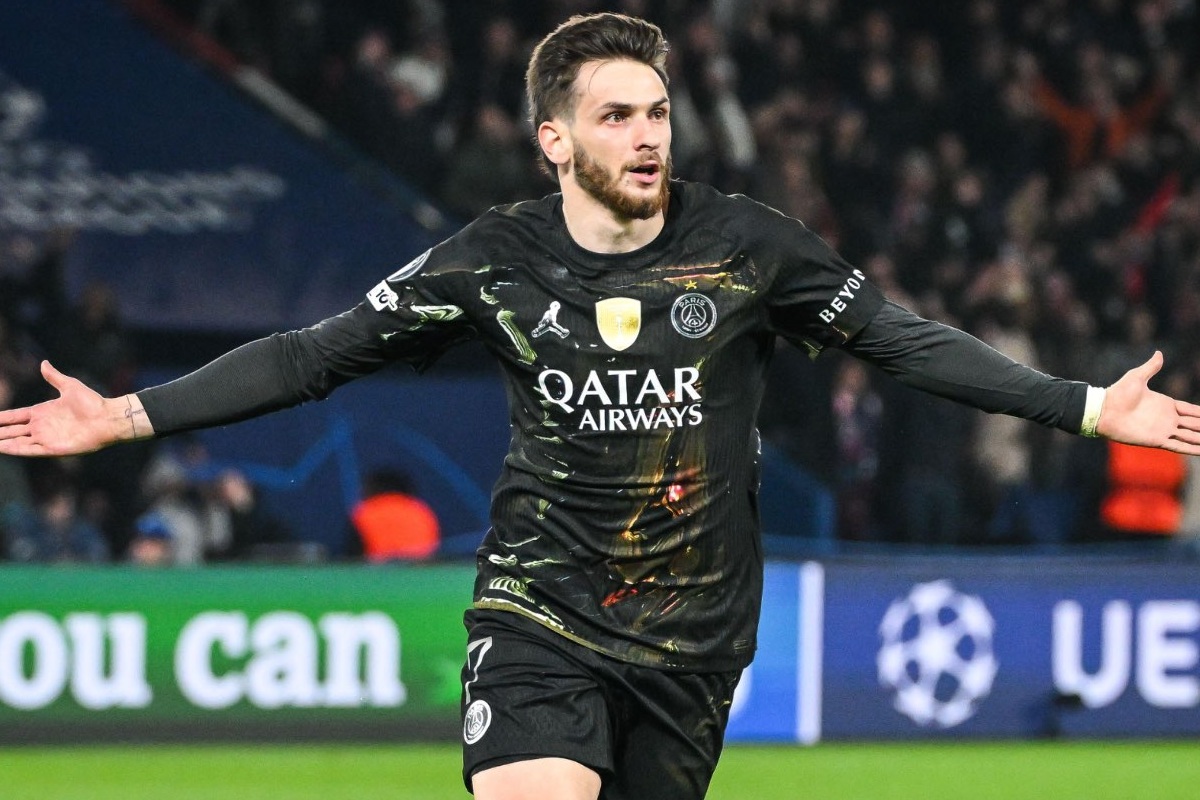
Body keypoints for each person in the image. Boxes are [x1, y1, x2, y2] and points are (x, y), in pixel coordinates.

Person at [1, 12, 1199, 800]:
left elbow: (902, 340)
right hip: (540, 608)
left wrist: (1085, 405)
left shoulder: (748, 245)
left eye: (657, 111)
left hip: (696, 637)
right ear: (554, 139)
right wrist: (129, 415)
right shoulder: (492, 260)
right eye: (616, 115)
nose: (646, 135)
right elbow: (315, 355)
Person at [345, 466, 441, 562]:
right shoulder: (421, 511)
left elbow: (352, 557)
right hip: (421, 567)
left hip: (379, 568)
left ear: (374, 488)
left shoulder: (365, 512)